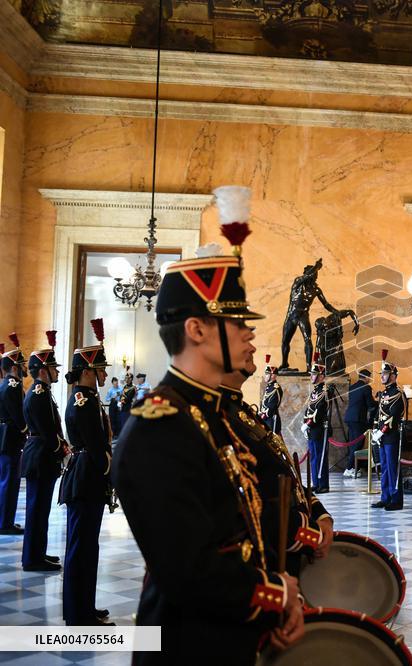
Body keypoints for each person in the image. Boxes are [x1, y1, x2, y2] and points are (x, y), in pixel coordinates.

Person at [112, 249, 305, 663]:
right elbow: (189, 572)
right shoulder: (160, 427)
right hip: (188, 646)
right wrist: (276, 592)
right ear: (196, 329)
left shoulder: (215, 416)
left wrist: (279, 595)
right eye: (236, 323)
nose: (250, 334)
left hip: (233, 634)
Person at [220, 359, 333, 578]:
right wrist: (313, 536)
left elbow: (287, 482)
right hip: (264, 568)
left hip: (287, 554)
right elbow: (253, 507)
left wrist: (319, 514)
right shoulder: (223, 418)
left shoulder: (241, 412)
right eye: (240, 331)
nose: (251, 345)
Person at [59, 318, 115, 625]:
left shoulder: (89, 399)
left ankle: (84, 606)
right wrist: (111, 473)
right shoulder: (84, 401)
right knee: (80, 549)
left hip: (87, 478)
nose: (105, 374)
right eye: (100, 369)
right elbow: (96, 447)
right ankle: (78, 614)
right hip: (85, 479)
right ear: (87, 371)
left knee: (86, 548)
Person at [20, 330, 66, 572]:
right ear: (42, 371)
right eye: (53, 368)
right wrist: (61, 448)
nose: (57, 372)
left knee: (40, 510)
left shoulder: (42, 392)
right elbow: (47, 431)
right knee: (37, 510)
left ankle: (37, 553)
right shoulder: (39, 393)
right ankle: (32, 558)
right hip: (41, 456)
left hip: (41, 455)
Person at [0, 334, 28, 535]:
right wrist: (28, 431)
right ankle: (4, 522)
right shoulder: (13, 385)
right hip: (10, 438)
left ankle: (6, 520)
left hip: (7, 437)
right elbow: (18, 415)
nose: (26, 368)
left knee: (9, 481)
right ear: (15, 367)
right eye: (23, 364)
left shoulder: (9, 384)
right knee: (8, 482)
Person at [371, 350, 404, 511]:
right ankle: (385, 497)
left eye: (385, 373)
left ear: (393, 375)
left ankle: (395, 499)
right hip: (382, 436)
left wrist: (381, 431)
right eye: (382, 373)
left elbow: (393, 416)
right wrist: (375, 429)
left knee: (392, 468)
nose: (382, 376)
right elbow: (379, 414)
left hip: (391, 435)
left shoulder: (397, 394)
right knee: (384, 467)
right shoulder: (384, 393)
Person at [302, 353, 331, 494]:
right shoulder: (314, 391)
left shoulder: (324, 392)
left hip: (319, 428)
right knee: (313, 456)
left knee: (320, 457)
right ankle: (316, 482)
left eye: (314, 374)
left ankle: (323, 484)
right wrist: (305, 423)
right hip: (312, 429)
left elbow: (318, 412)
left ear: (321, 376)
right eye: (311, 374)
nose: (311, 377)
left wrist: (308, 424)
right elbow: (309, 409)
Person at [343, 368, 376, 477]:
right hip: (358, 419)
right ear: (366, 377)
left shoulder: (352, 387)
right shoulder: (366, 388)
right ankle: (348, 468)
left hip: (350, 418)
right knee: (357, 444)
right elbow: (370, 404)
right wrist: (378, 402)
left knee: (353, 443)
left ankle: (353, 467)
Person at [259, 354, 283, 435]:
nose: (265, 376)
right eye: (265, 373)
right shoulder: (269, 387)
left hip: (271, 421)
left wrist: (261, 418)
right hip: (266, 420)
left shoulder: (276, 388)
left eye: (267, 374)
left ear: (273, 375)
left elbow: (271, 408)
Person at [117, 368, 136, 433]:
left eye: (128, 378)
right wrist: (120, 399)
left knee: (126, 425)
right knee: (122, 423)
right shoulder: (125, 386)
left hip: (128, 408)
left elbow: (128, 398)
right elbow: (122, 396)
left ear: (131, 379)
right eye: (126, 378)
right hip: (123, 407)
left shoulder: (133, 387)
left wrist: (123, 395)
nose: (126, 379)